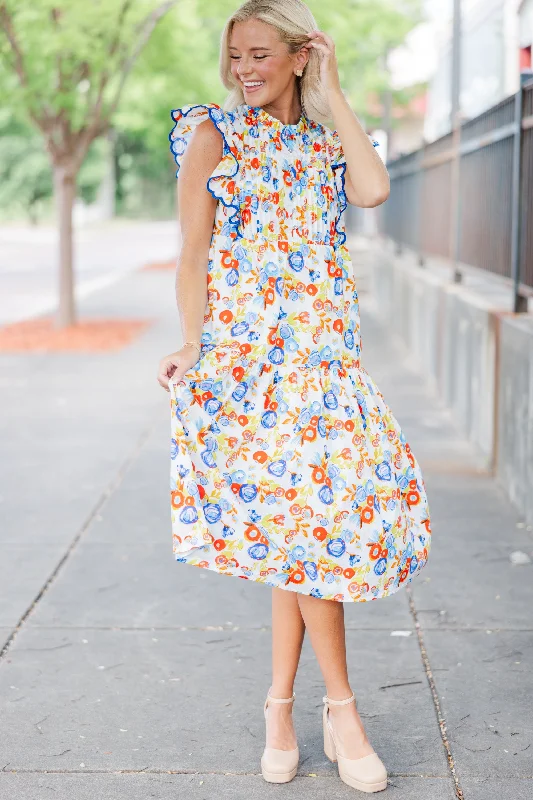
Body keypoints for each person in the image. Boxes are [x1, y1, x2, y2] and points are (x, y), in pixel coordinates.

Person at [158, 0, 431, 792]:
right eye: (235, 53)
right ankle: (339, 709)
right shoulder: (212, 132)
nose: (244, 67)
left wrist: (335, 88)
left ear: (298, 56)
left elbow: (374, 191)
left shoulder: (324, 142)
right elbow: (191, 256)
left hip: (325, 366)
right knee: (304, 533)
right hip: (248, 369)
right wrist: (191, 342)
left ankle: (280, 704)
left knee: (303, 536)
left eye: (260, 54)